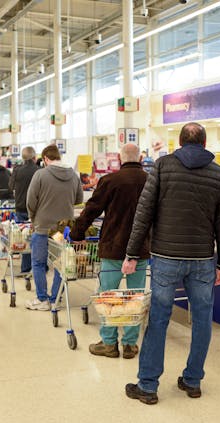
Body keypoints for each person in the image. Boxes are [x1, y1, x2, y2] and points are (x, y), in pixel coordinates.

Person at [122, 122, 220, 405]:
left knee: (158, 318)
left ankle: (147, 386)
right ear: (205, 144)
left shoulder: (162, 166)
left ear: (180, 142)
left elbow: (143, 213)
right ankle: (193, 381)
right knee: (203, 320)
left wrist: (132, 254)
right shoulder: (219, 174)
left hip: (166, 258)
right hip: (203, 260)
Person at [70, 143, 150, 359]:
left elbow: (91, 209)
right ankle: (131, 345)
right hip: (141, 250)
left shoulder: (110, 181)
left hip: (113, 248)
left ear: (119, 158)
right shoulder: (151, 180)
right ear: (141, 157)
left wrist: (77, 233)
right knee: (135, 296)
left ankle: (109, 343)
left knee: (109, 296)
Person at [25, 145, 83, 311]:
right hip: (63, 230)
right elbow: (78, 198)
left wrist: (33, 217)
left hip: (42, 227)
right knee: (61, 264)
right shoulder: (73, 175)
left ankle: (42, 299)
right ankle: (56, 297)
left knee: (38, 263)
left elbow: (31, 200)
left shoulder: (40, 174)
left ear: (45, 159)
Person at [9, 146, 39, 274]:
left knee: (24, 238)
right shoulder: (39, 170)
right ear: (34, 157)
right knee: (38, 238)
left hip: (21, 207)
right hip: (36, 209)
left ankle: (25, 268)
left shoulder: (17, 170)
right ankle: (38, 266)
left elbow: (10, 186)